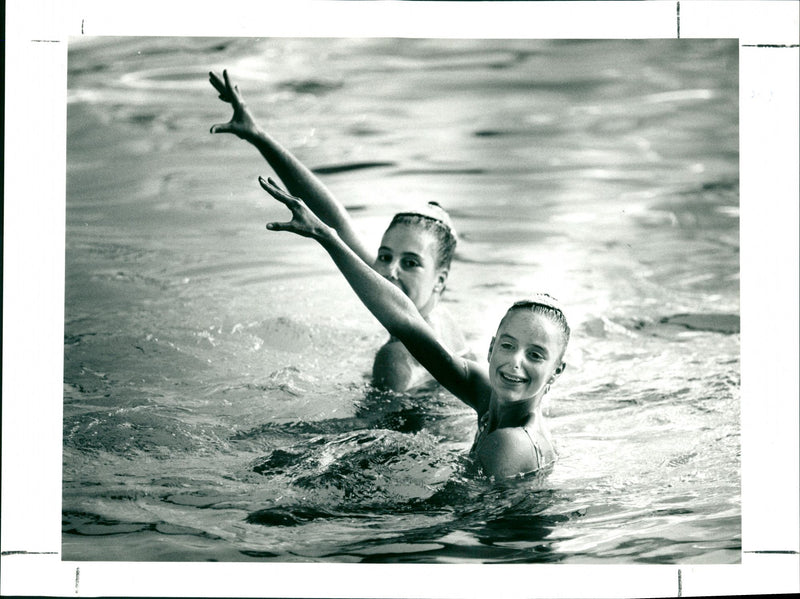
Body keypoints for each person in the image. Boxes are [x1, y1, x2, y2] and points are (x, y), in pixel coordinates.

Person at [257, 177, 570, 480]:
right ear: (490, 348)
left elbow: (457, 518)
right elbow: (407, 324)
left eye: (536, 354)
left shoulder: (510, 443)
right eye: (508, 346)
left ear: (557, 371)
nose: (516, 361)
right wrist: (326, 237)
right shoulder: (488, 394)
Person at [209, 70, 470, 392]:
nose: (389, 271)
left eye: (410, 262)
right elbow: (339, 223)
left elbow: (375, 439)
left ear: (440, 280)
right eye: (384, 256)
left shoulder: (396, 358)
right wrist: (259, 136)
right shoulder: (443, 324)